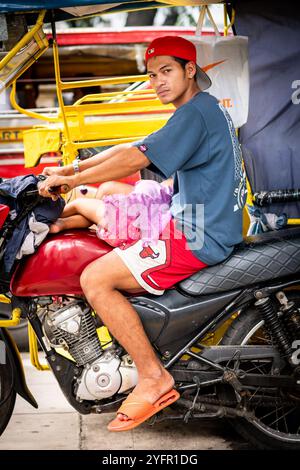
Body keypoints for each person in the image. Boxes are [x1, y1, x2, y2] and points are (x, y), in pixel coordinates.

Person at [38, 35, 246, 432]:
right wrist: (72, 171)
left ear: (190, 70)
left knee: (94, 278)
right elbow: (133, 147)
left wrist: (74, 179)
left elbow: (137, 158)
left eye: (166, 71)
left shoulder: (194, 114)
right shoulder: (200, 109)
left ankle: (152, 376)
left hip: (196, 234)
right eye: (151, 76)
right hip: (200, 223)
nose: (158, 82)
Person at [49, 179, 173, 248]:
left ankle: (50, 215)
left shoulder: (165, 190)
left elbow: (156, 191)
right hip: (134, 231)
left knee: (79, 204)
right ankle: (61, 224)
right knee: (105, 191)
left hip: (126, 224)